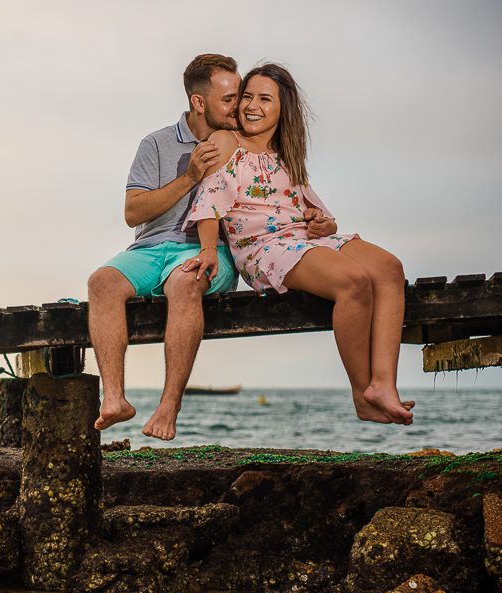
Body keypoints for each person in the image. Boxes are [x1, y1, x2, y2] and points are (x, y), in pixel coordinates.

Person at [87, 54, 331, 441]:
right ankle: (115, 399)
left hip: (207, 250)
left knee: (185, 283)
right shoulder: (156, 144)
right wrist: (190, 177)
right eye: (230, 99)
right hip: (149, 249)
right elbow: (133, 213)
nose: (242, 107)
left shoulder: (240, 142)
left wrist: (313, 223)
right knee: (101, 281)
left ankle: (169, 406)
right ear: (199, 102)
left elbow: (272, 201)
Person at [182, 63, 415, 425]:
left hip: (300, 238)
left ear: (282, 108)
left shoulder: (286, 153)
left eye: (264, 98)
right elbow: (210, 201)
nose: (252, 105)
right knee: (353, 282)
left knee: (389, 269)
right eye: (247, 96)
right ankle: (361, 395)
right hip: (261, 247)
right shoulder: (227, 142)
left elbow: (318, 212)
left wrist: (323, 223)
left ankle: (383, 384)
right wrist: (209, 250)